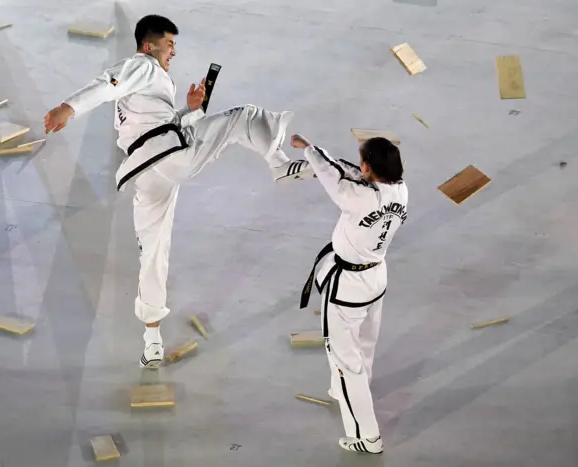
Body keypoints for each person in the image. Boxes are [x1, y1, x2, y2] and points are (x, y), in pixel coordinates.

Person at [43, 15, 315, 369]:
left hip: (145, 172)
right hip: (168, 158)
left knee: (153, 253)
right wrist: (68, 107)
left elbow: (157, 126)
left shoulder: (147, 89)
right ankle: (279, 164)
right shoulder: (141, 66)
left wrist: (191, 109)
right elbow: (106, 84)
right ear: (148, 45)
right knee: (246, 116)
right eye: (169, 44)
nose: (173, 52)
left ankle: (152, 342)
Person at [292, 134, 408, 454]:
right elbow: (352, 173)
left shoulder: (355, 195)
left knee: (345, 361)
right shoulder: (400, 190)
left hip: (348, 287)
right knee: (366, 342)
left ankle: (365, 436)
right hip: (376, 278)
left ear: (368, 167)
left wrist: (311, 149)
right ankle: (351, 390)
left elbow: (333, 174)